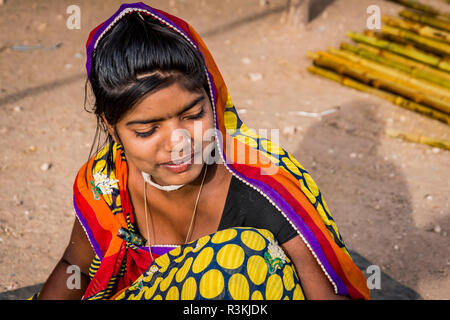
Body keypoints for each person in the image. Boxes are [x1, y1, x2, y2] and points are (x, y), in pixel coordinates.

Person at [36, 2, 369, 300]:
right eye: (147, 130)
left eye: (193, 115)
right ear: (112, 127)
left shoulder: (263, 183)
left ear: (213, 98)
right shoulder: (106, 184)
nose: (178, 142)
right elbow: (74, 267)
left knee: (240, 260)